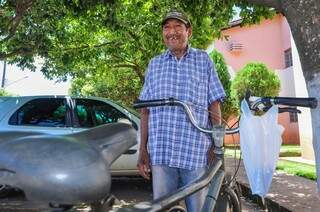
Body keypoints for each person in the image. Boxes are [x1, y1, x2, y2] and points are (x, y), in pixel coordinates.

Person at [137, 10, 226, 212]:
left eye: (178, 26)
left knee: (199, 208)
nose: (172, 32)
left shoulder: (203, 60)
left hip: (194, 151)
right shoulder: (154, 64)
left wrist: (216, 142)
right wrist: (143, 149)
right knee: (162, 208)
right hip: (162, 151)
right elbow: (145, 110)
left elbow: (214, 103)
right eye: (167, 27)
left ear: (189, 31)